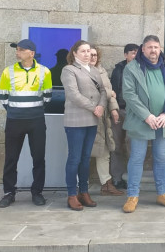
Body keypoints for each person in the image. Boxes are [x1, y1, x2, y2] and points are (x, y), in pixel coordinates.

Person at [121, 35, 165, 213]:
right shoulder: (132, 68)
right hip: (141, 121)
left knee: (161, 159)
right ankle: (132, 195)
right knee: (137, 159)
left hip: (162, 122)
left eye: (156, 47)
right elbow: (129, 94)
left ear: (160, 48)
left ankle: (162, 193)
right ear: (143, 49)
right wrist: (147, 116)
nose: (153, 50)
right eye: (149, 47)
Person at [0, 39, 52, 208]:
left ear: (31, 53)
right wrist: (16, 110)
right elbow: (3, 96)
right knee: (11, 158)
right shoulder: (8, 71)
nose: (17, 52)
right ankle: (8, 192)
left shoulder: (45, 72)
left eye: (21, 50)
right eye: (17, 50)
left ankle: (37, 192)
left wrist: (31, 110)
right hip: (14, 121)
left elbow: (47, 97)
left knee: (38, 158)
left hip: (36, 121)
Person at [61, 40, 107, 211]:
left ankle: (84, 192)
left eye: (89, 51)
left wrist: (101, 106)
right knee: (74, 158)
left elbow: (103, 90)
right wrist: (94, 107)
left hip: (92, 119)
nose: (87, 54)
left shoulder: (94, 70)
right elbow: (73, 94)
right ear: (74, 53)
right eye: (83, 51)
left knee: (86, 158)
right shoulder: (69, 70)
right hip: (76, 120)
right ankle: (72, 194)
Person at [88, 46, 123, 196]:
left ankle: (106, 184)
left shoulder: (101, 71)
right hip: (88, 115)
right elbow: (90, 91)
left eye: (95, 55)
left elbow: (110, 92)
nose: (93, 57)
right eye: (90, 54)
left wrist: (114, 109)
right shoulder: (77, 71)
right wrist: (109, 93)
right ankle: (79, 186)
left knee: (104, 151)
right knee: (84, 152)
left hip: (103, 117)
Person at [109, 43, 139, 189]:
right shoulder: (118, 70)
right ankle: (117, 177)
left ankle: (133, 178)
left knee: (133, 145)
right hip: (120, 111)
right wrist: (113, 109)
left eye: (137, 53)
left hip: (136, 113)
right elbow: (112, 91)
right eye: (132, 53)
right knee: (116, 145)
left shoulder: (142, 69)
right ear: (125, 55)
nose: (135, 56)